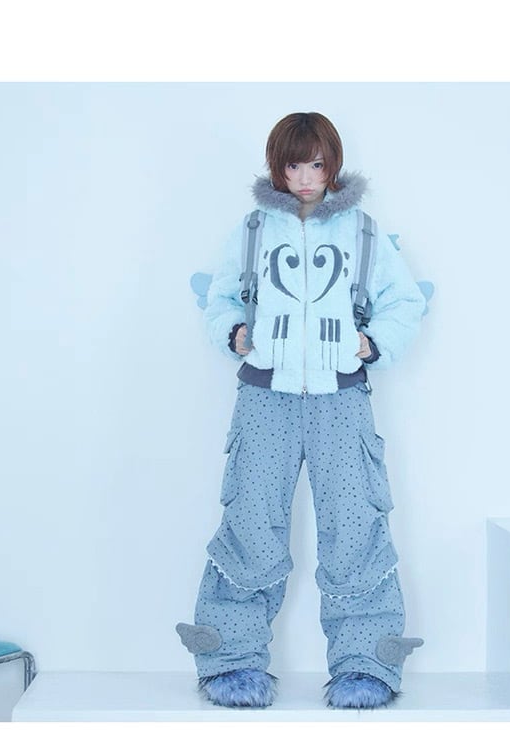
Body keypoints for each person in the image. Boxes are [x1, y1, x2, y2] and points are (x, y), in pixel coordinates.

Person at [176, 112, 426, 708]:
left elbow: (403, 300)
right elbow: (222, 296)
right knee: (251, 520)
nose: (306, 177)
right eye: (294, 165)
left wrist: (374, 343)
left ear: (332, 164)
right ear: (277, 168)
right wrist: (234, 332)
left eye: (316, 164)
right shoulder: (253, 230)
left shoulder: (363, 232)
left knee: (355, 524)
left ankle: (366, 663)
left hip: (342, 399)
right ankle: (231, 659)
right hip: (265, 398)